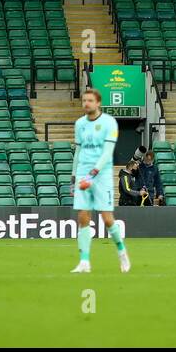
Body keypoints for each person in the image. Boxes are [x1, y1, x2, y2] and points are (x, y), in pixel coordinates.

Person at [69, 88, 131, 273]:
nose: (86, 103)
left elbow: (107, 152)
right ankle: (84, 262)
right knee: (83, 216)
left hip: (101, 174)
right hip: (83, 173)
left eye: (89, 100)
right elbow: (78, 152)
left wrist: (93, 174)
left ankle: (121, 251)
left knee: (107, 218)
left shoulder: (109, 122)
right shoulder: (79, 123)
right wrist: (74, 177)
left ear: (98, 103)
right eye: (84, 101)